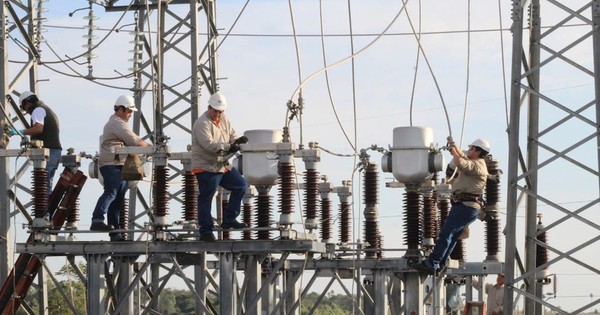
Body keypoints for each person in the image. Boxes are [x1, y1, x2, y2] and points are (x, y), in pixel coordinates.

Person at [414, 137, 490, 274]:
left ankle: (432, 263)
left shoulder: (478, 165)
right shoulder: (475, 162)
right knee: (452, 237)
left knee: (446, 234)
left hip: (465, 206)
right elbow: (462, 156)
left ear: (478, 151)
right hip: (466, 206)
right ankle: (439, 264)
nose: (469, 150)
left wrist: (454, 151)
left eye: (472, 148)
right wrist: (454, 147)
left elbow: (461, 163)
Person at [90, 95, 149, 241]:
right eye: (129, 111)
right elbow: (133, 139)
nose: (130, 115)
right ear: (121, 109)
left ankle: (115, 233)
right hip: (111, 165)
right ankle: (97, 219)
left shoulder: (118, 123)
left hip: (118, 165)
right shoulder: (117, 123)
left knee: (117, 200)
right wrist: (150, 148)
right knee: (112, 192)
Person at [191, 92, 248, 241]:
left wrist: (237, 141)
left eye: (220, 111)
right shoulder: (201, 123)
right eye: (215, 111)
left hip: (221, 164)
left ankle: (229, 219)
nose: (218, 114)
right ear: (209, 108)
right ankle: (206, 231)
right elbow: (209, 145)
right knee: (207, 197)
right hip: (206, 166)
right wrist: (231, 146)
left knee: (241, 185)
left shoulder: (224, 120)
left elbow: (231, 135)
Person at [10, 91, 62, 196]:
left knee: (43, 186)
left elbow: (38, 129)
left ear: (27, 103)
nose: (26, 110)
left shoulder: (37, 110)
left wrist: (19, 132)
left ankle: (44, 212)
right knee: (47, 185)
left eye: (24, 108)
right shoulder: (46, 109)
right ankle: (47, 211)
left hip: (48, 151)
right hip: (55, 151)